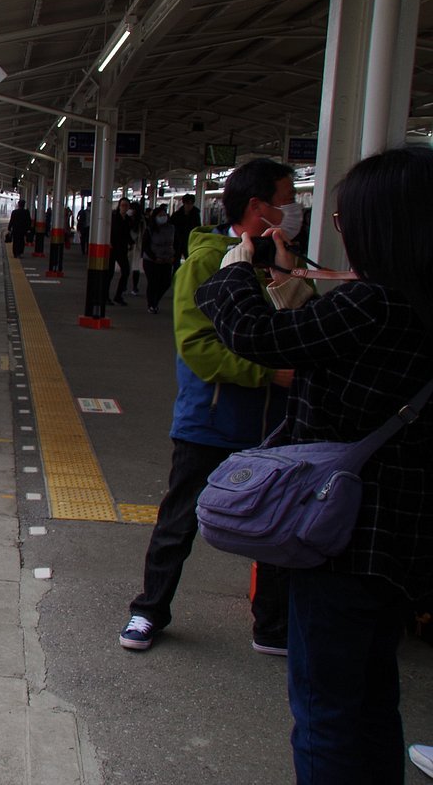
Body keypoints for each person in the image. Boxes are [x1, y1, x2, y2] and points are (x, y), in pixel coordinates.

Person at [195, 146, 433, 784]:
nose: (340, 228)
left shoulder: (375, 305)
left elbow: (256, 336)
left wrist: (239, 268)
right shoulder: (413, 303)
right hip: (399, 536)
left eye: (344, 217)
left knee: (325, 709)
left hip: (343, 533)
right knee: (372, 700)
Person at [119, 158, 296, 654]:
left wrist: (286, 274)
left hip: (272, 423)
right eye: (286, 199)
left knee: (279, 525)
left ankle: (272, 626)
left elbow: (304, 328)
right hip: (210, 420)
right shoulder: (205, 261)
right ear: (258, 206)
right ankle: (148, 611)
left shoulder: (281, 259)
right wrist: (269, 372)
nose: (293, 209)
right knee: (179, 520)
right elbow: (197, 348)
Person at [140, 206, 178, 314]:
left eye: (164, 215)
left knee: (166, 282)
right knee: (153, 282)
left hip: (167, 260)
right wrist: (154, 257)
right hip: (151, 261)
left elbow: (176, 243)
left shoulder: (172, 229)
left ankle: (155, 300)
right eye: (160, 215)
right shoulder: (150, 230)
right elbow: (145, 246)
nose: (163, 217)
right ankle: (151, 304)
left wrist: (174, 256)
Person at [108, 197, 134, 305]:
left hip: (122, 249)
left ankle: (118, 295)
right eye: (122, 205)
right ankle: (105, 297)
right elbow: (109, 231)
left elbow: (127, 233)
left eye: (126, 205)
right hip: (112, 248)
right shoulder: (113, 217)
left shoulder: (127, 219)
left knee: (126, 271)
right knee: (109, 273)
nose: (124, 207)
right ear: (119, 206)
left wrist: (131, 242)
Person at [172, 193, 202, 260]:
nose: (189, 205)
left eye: (191, 203)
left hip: (190, 241)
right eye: (187, 203)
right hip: (177, 241)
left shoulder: (196, 215)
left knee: (189, 259)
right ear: (184, 203)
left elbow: (197, 228)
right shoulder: (177, 215)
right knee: (176, 261)